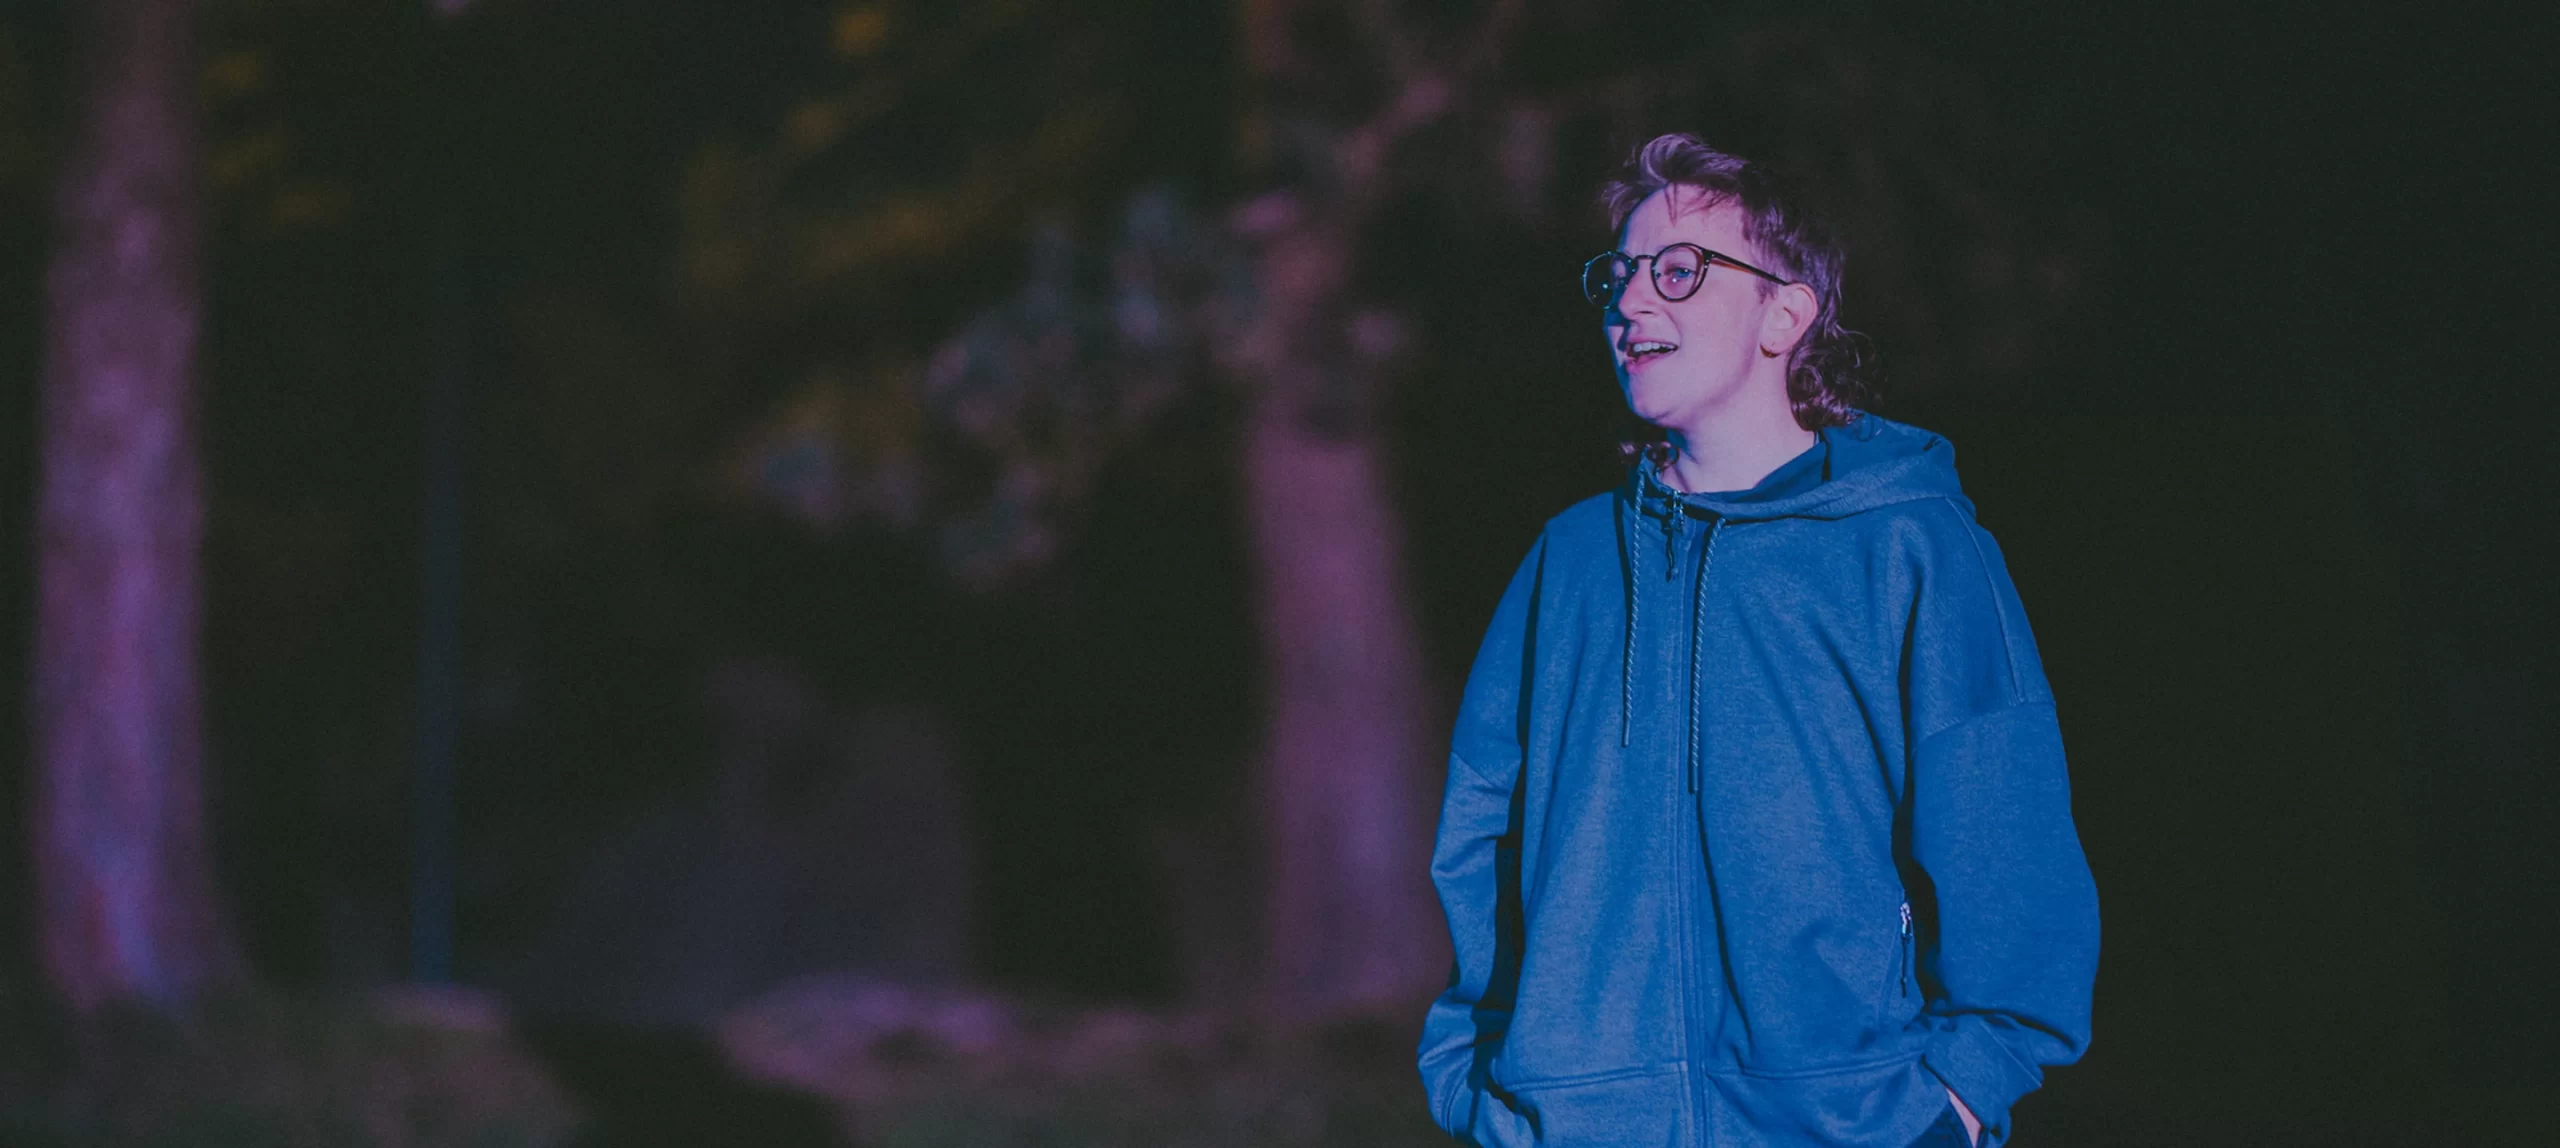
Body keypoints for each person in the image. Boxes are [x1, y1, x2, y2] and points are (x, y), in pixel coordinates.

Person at [1414, 133, 2099, 1148]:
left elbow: (2005, 830)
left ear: (1786, 312)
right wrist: (1481, 1087)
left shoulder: (1907, 543)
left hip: (1844, 1119)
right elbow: (1479, 836)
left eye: (1679, 270)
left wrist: (1954, 1093)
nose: (1632, 302)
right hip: (1580, 1124)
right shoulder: (1570, 562)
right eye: (1620, 273)